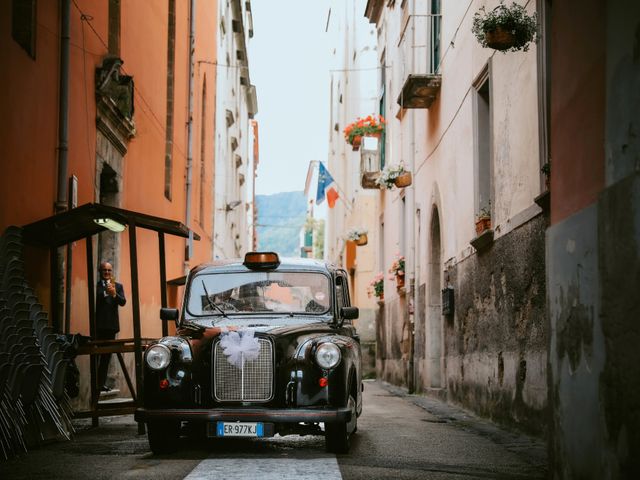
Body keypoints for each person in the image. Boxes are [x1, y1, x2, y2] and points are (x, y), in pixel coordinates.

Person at [95, 261, 126, 392]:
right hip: (98, 326)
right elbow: (97, 299)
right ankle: (95, 384)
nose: (107, 273)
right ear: (100, 272)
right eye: (104, 270)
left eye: (109, 270)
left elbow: (123, 302)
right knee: (95, 356)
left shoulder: (118, 286)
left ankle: (101, 383)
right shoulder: (97, 286)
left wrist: (114, 294)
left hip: (111, 327)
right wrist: (106, 293)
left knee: (106, 358)